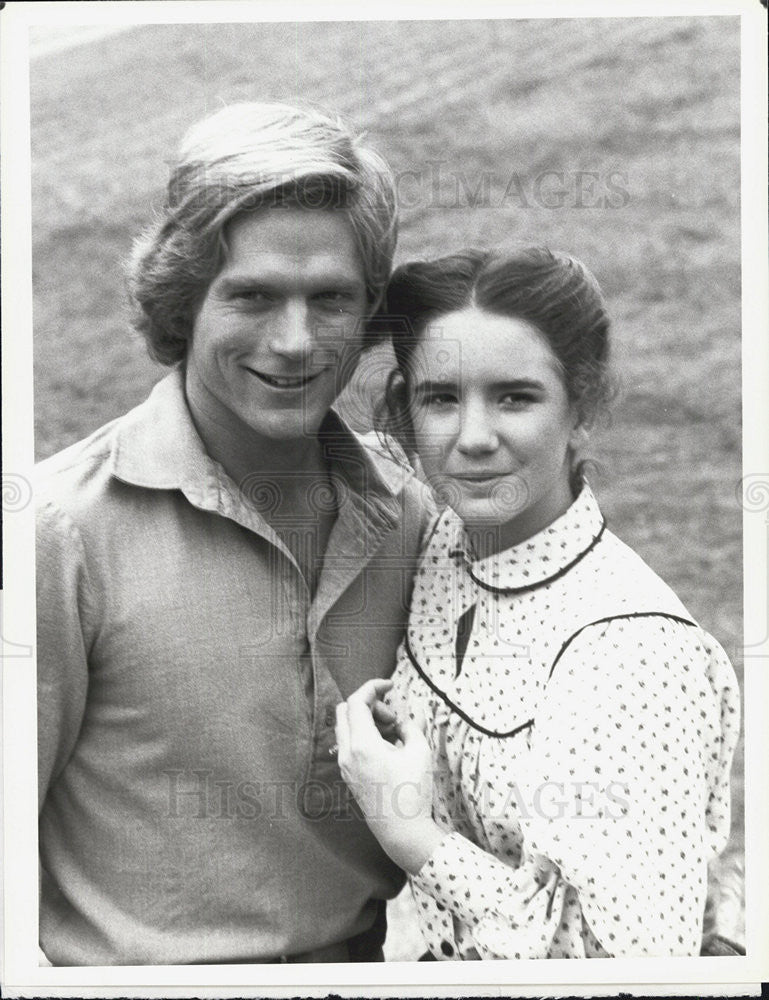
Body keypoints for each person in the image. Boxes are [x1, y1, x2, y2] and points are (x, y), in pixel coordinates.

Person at [35, 102, 433, 966]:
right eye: (251, 296)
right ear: (182, 299)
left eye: (329, 299)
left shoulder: (410, 518)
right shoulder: (56, 532)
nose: (294, 343)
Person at [335, 247, 741, 959]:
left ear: (581, 409)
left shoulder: (633, 655)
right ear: (404, 410)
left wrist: (409, 832)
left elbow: (643, 967)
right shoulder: (437, 542)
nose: (473, 438)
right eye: (440, 399)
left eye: (514, 397)